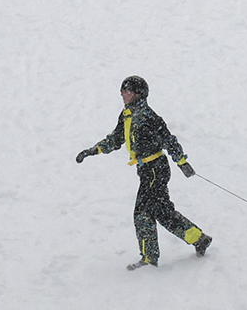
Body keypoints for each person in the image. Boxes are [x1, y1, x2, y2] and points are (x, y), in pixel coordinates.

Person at [75, 76, 213, 270]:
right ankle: (199, 239)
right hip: (146, 169)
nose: (123, 94)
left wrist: (182, 162)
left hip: (156, 169)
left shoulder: (149, 117)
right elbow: (115, 139)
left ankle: (149, 258)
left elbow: (169, 140)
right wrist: (93, 150)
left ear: (139, 94)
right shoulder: (127, 115)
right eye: (122, 91)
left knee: (142, 213)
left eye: (128, 91)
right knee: (163, 213)